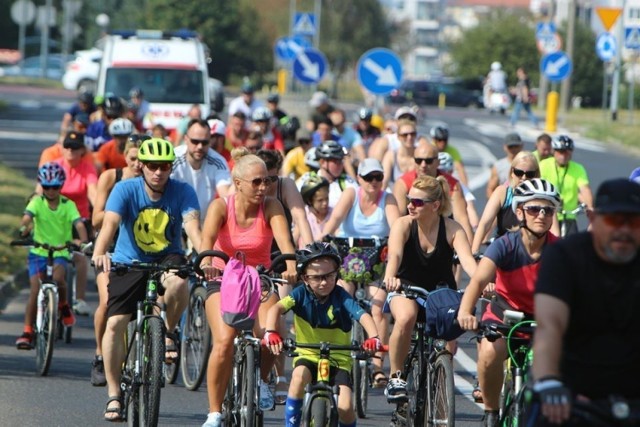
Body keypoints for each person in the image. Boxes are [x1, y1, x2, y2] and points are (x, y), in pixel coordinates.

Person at [92, 138, 202, 421]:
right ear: (140, 165)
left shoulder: (183, 191)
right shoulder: (124, 189)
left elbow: (193, 227)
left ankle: (168, 331)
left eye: (164, 166)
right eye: (152, 166)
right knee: (115, 323)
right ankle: (114, 394)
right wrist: (100, 251)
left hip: (168, 257)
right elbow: (110, 224)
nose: (158, 172)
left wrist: (207, 257)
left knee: (179, 282)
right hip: (129, 262)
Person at [199, 147, 298, 427]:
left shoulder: (271, 206)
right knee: (224, 341)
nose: (263, 187)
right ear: (238, 183)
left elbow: (285, 243)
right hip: (222, 280)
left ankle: (263, 380)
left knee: (272, 333)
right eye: (256, 182)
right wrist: (206, 261)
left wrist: (291, 267)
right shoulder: (220, 207)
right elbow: (206, 244)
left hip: (260, 280)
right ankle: (215, 412)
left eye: (266, 180)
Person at [530, 178, 640, 426]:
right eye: (614, 221)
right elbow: (550, 326)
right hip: (571, 393)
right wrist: (548, 380)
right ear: (593, 219)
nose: (623, 231)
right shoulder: (564, 256)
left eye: (633, 222)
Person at [458, 178, 561, 426]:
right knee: (489, 354)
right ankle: (492, 411)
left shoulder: (560, 250)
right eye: (534, 208)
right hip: (505, 315)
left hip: (542, 321)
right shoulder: (504, 245)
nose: (541, 215)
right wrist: (465, 311)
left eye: (548, 210)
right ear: (519, 212)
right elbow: (477, 282)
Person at [263, 242, 382, 427]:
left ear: (337, 274)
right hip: (307, 354)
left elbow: (363, 315)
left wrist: (373, 337)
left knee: (346, 406)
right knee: (297, 379)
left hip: (339, 359)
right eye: (316, 277)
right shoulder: (299, 294)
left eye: (329, 275)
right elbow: (276, 309)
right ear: (304, 278)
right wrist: (271, 332)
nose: (324, 282)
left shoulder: (341, 296)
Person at [383, 174, 477, 402]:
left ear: (435, 205)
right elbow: (394, 254)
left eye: (417, 202)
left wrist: (482, 282)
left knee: (450, 334)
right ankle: (396, 377)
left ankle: (440, 375)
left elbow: (467, 260)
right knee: (406, 316)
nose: (409, 206)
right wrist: (389, 276)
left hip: (439, 292)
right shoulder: (403, 225)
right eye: (409, 200)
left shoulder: (452, 229)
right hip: (405, 287)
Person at [321, 158, 400, 385]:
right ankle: (339, 355)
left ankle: (377, 367)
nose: (374, 182)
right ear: (359, 179)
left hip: (377, 258)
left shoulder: (388, 198)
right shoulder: (351, 195)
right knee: (342, 297)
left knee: (379, 308)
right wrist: (323, 239)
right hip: (349, 256)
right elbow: (334, 220)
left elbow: (396, 228)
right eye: (369, 178)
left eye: (378, 177)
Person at [90, 135, 145, 386]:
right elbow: (96, 219)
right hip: (110, 249)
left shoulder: (153, 183)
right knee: (107, 300)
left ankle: (153, 348)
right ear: (125, 156)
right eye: (133, 159)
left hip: (138, 253)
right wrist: (118, 208)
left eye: (141, 160)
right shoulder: (112, 177)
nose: (137, 165)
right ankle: (100, 356)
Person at [15, 163, 88, 350]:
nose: (51, 191)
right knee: (34, 289)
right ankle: (27, 331)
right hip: (38, 252)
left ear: (61, 186)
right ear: (42, 186)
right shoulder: (37, 202)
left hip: (60, 252)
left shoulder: (67, 205)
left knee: (59, 279)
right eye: (47, 187)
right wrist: (23, 229)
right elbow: (27, 217)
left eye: (55, 187)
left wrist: (83, 241)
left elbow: (78, 224)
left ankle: (63, 304)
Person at [472, 151, 553, 254]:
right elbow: (484, 224)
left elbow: (554, 230)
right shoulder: (502, 192)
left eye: (529, 174)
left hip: (533, 254)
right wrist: (474, 251)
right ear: (512, 172)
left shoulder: (543, 197)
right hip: (504, 252)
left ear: (536, 175)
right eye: (519, 173)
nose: (524, 178)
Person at [54, 131, 98, 316]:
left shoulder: (88, 168)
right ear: (62, 150)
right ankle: (52, 295)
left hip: (80, 220)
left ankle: (79, 299)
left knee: (80, 257)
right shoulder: (55, 166)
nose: (70, 150)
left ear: (82, 150)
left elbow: (93, 193)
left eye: (75, 147)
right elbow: (41, 191)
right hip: (56, 220)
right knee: (55, 256)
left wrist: (100, 214)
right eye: (67, 147)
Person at [393, 142, 474, 242]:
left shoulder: (452, 184)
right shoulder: (403, 183)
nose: (423, 165)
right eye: (418, 160)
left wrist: (472, 251)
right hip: (413, 239)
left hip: (443, 238)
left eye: (429, 161)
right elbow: (398, 220)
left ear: (438, 162)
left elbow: (462, 219)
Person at [171, 118, 231, 224]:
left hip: (204, 223)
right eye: (195, 141)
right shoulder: (173, 158)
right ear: (185, 139)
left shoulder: (218, 162)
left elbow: (226, 195)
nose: (200, 146)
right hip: (175, 221)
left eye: (205, 142)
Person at [539, 135, 593, 236]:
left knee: (573, 246)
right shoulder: (544, 165)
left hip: (569, 216)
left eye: (567, 152)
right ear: (554, 152)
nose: (563, 155)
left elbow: (585, 189)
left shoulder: (578, 168)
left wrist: (590, 208)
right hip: (549, 213)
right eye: (560, 152)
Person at [297, 141, 358, 209]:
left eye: (341, 160)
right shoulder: (306, 180)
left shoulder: (348, 182)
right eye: (336, 161)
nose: (340, 165)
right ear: (322, 162)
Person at [295, 174, 331, 245]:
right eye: (320, 200)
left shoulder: (333, 214)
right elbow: (294, 239)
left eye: (327, 198)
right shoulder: (304, 216)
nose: (325, 203)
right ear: (309, 201)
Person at [382, 119, 418, 189]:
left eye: (412, 134)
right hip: (395, 197)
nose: (409, 137)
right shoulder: (391, 155)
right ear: (398, 137)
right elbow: (384, 182)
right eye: (405, 135)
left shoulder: (421, 155)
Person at [486, 132, 524, 198]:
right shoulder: (498, 166)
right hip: (505, 203)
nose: (513, 149)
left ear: (521, 146)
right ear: (505, 147)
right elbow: (490, 189)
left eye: (516, 146)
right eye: (510, 147)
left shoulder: (527, 164)